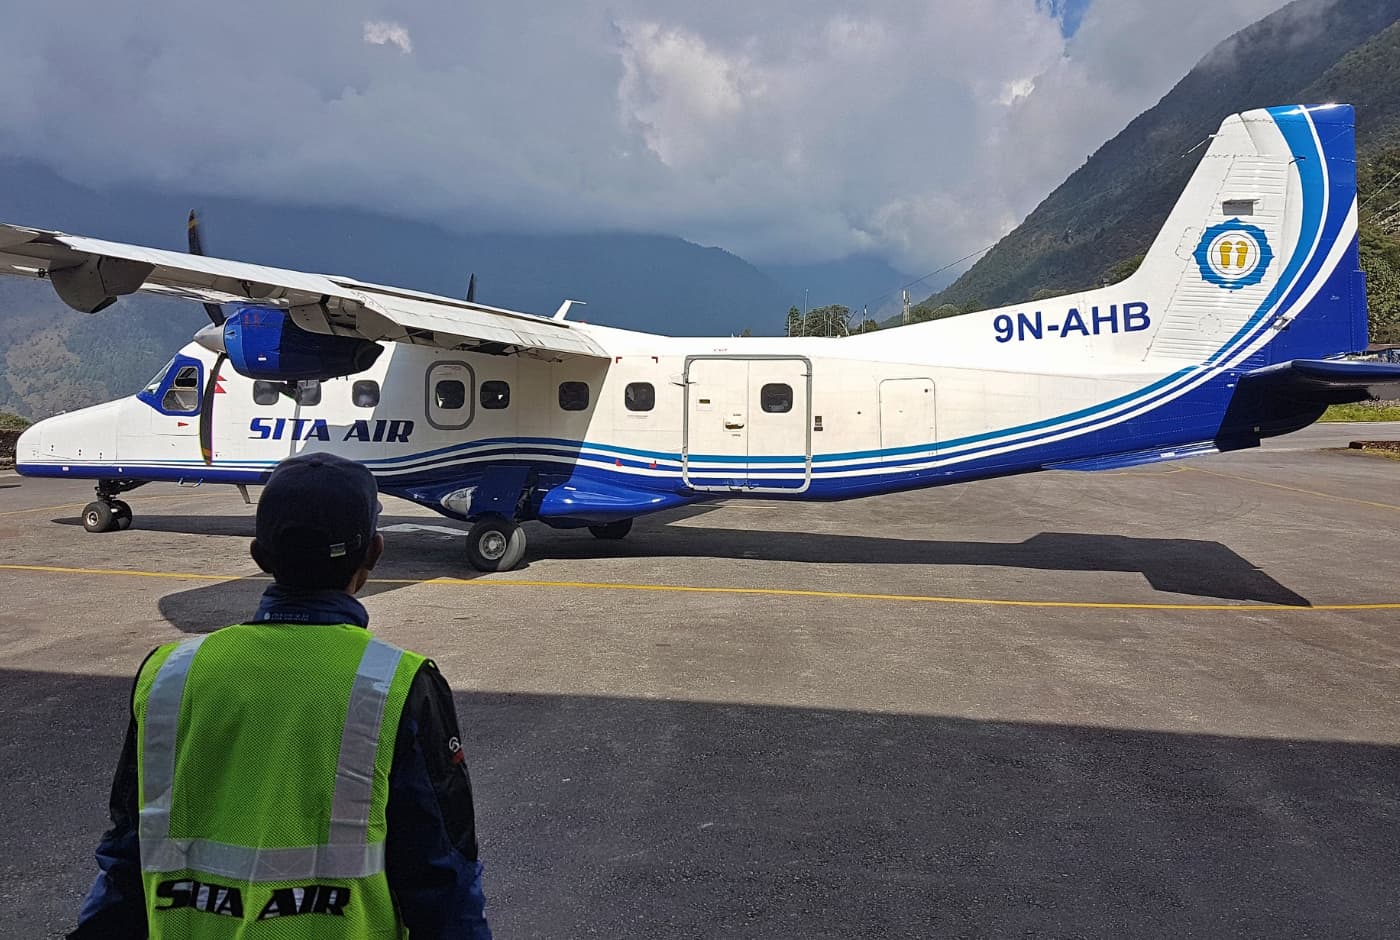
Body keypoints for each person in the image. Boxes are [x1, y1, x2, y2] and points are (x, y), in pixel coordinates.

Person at [69, 452, 492, 939]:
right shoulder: (398, 684)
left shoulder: (168, 675)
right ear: (374, 554)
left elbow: (125, 857)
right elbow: (443, 877)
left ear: (258, 556)